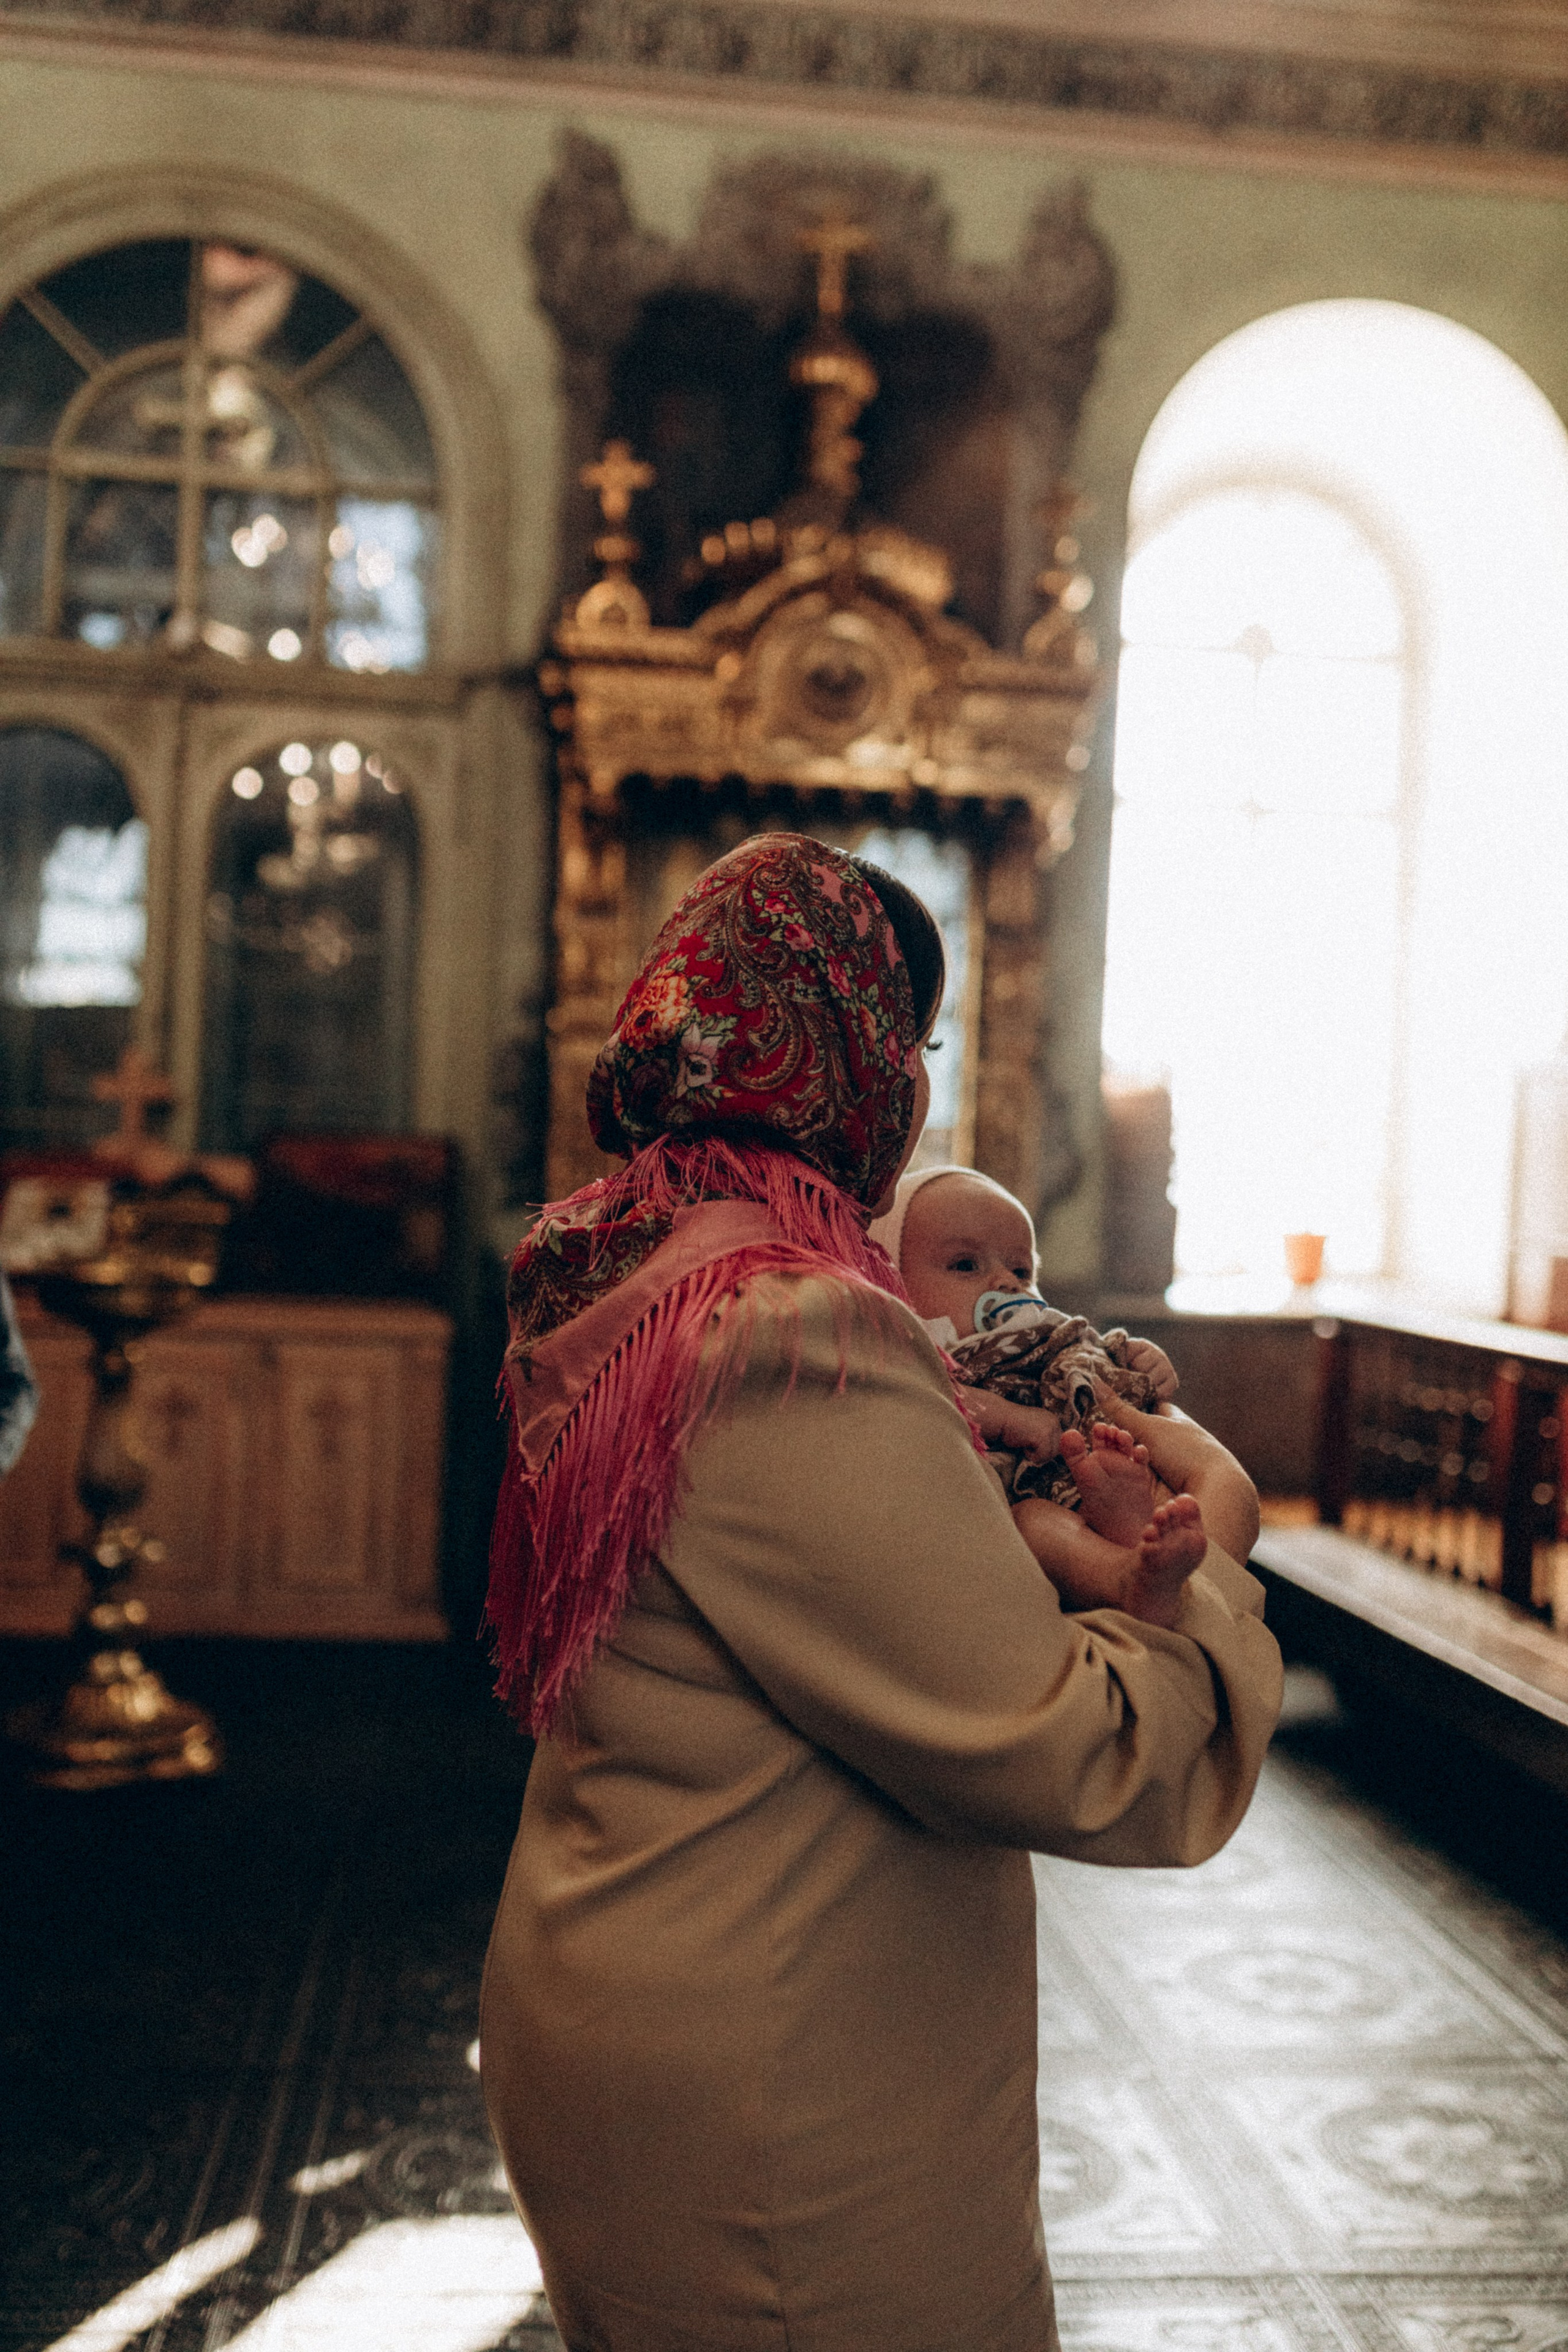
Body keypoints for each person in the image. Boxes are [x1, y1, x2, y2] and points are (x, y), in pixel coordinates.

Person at [481, 832, 1283, 2352]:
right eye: (905, 1043)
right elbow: (1069, 1747)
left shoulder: (621, 1266)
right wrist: (1209, 1553)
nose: (913, 1083)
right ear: (845, 1060)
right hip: (780, 2084)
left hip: (638, 1971)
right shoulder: (792, 1330)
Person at [871, 1162, 1258, 1624]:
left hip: (1095, 1469)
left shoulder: (1051, 1336)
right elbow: (933, 1400)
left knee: (1142, 1494)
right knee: (1035, 1524)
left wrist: (1140, 1360)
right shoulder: (918, 1355)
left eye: (1021, 1268)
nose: (1005, 1283)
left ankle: (1135, 1536)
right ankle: (1125, 1576)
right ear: (889, 1284)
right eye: (966, 1264)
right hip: (1031, 1510)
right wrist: (1005, 1417)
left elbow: (1099, 1350)